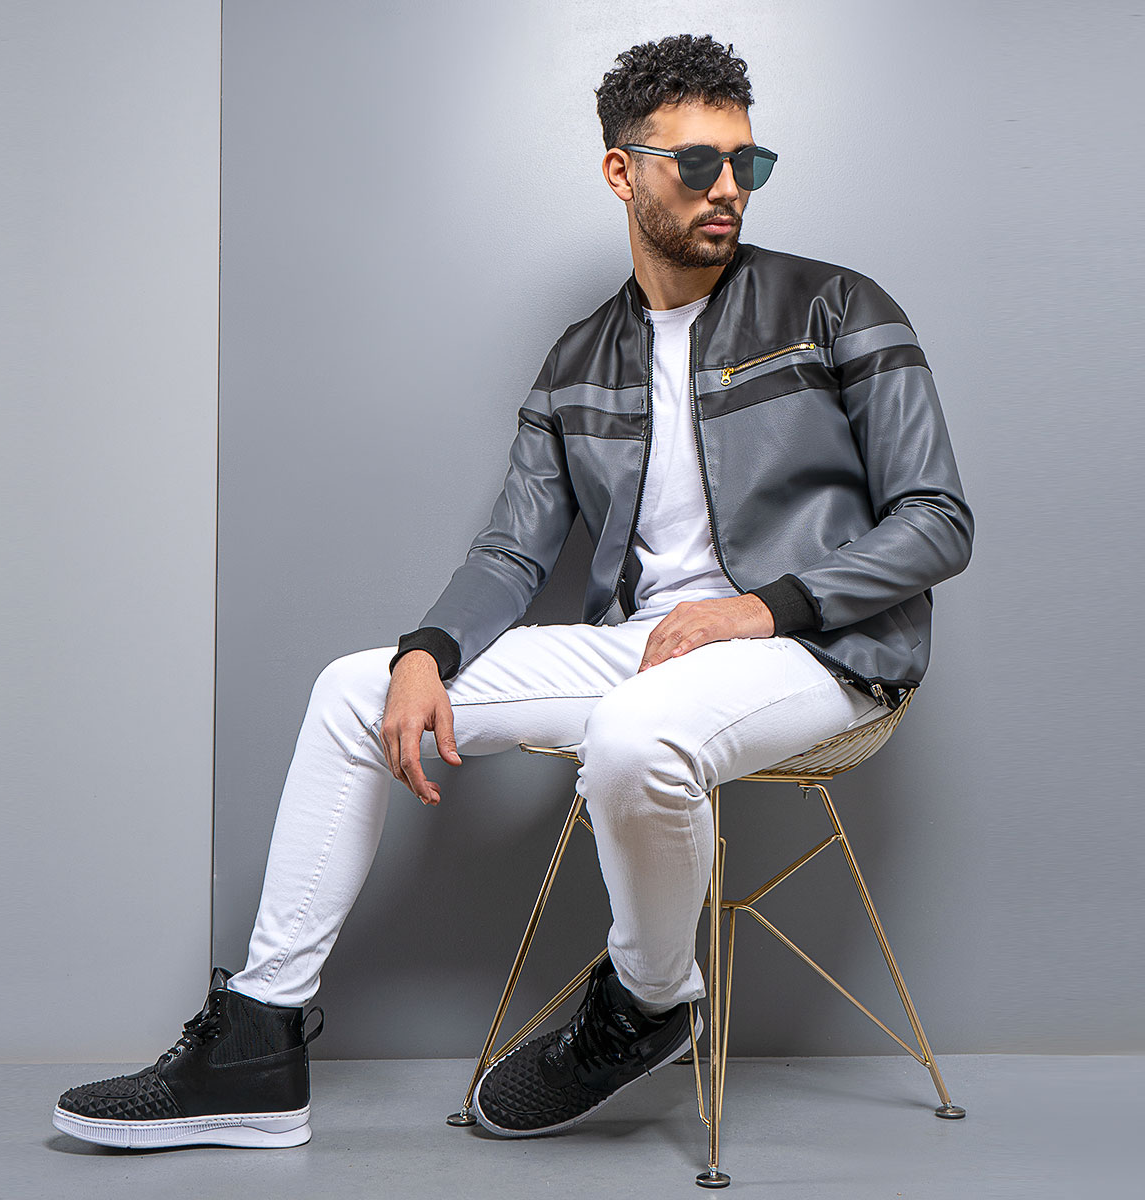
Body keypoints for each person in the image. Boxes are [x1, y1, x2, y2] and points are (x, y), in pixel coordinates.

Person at [52, 33, 974, 1151]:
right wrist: (427, 651)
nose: (729, 186)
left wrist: (760, 607)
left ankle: (647, 1001)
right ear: (622, 171)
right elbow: (511, 550)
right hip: (652, 646)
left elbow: (937, 520)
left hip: (823, 650)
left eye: (748, 161)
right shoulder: (578, 360)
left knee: (635, 735)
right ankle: (257, 1040)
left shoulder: (836, 305)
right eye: (697, 163)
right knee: (354, 691)